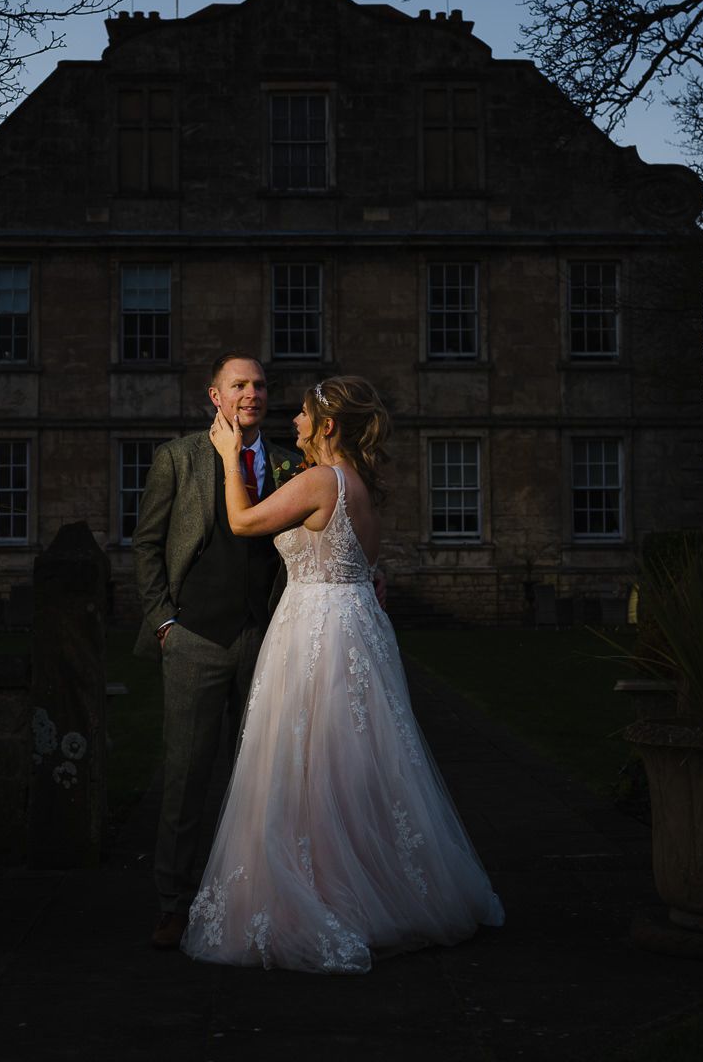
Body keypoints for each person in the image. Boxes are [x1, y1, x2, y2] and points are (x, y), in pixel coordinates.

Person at [181, 375, 503, 973]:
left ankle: (324, 893)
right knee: (355, 762)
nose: (294, 424)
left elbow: (244, 523)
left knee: (311, 760)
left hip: (315, 627)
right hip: (354, 623)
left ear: (327, 426)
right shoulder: (362, 489)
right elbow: (364, 565)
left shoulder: (320, 480)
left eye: (302, 416)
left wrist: (229, 457)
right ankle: (368, 885)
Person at [133, 354, 298, 950]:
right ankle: (174, 904)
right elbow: (146, 544)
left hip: (264, 638)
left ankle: (246, 898)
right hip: (195, 640)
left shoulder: (288, 462)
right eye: (239, 385)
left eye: (259, 384)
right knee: (184, 779)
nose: (251, 393)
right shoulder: (179, 458)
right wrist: (163, 624)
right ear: (215, 396)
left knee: (256, 779)